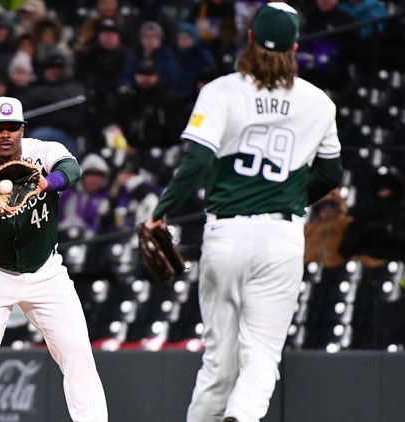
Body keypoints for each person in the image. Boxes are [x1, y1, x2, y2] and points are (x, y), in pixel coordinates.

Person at [142, 4, 342, 421]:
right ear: (296, 48)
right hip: (281, 236)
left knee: (218, 362)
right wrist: (289, 196)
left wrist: (161, 212)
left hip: (226, 235)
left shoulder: (221, 90)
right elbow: (331, 172)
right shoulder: (318, 102)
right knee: (261, 355)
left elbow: (196, 160)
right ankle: (243, 416)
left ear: (249, 38)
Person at [0, 96, 107, 421]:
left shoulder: (42, 150)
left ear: (22, 130)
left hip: (46, 271)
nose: (6, 134)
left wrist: (47, 182)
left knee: (77, 352)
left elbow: (72, 168)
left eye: (12, 128)